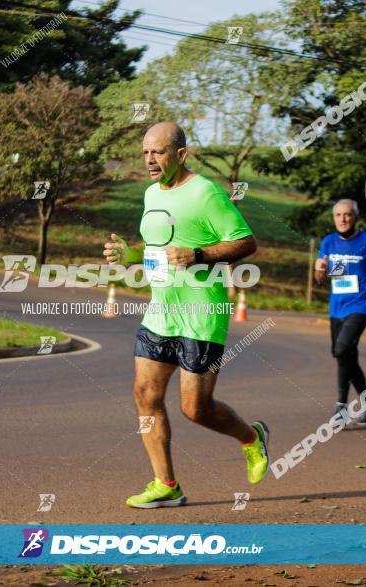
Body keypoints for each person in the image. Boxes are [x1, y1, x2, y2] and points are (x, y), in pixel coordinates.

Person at [102, 121, 269, 509]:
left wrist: (198, 255)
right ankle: (166, 483)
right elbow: (158, 243)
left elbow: (247, 242)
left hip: (201, 313)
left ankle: (251, 438)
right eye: (145, 152)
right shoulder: (150, 193)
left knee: (195, 409)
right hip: (161, 311)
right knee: (144, 394)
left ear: (180, 154)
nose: (149, 160)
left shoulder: (205, 192)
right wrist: (129, 255)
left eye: (157, 152)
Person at [314, 199, 366, 424]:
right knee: (344, 354)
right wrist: (319, 271)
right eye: (338, 215)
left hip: (361, 304)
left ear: (355, 217)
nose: (342, 219)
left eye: (347, 215)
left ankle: (341, 406)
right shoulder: (329, 242)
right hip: (337, 306)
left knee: (342, 350)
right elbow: (323, 279)